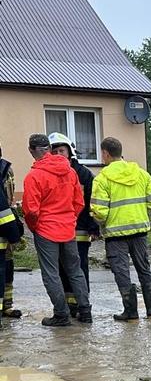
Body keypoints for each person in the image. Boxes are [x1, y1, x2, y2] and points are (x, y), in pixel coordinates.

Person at [21, 133, 91, 326]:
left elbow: (31, 210)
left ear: (31, 150)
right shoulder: (70, 171)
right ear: (49, 149)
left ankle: (61, 315)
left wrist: (35, 227)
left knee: (51, 273)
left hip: (45, 229)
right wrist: (69, 219)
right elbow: (79, 202)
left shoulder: (34, 176)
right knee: (75, 270)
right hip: (68, 228)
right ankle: (85, 312)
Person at [90, 137, 151, 321]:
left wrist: (101, 223)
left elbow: (99, 211)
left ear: (105, 153)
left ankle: (131, 312)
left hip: (115, 235)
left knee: (121, 271)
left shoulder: (102, 179)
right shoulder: (141, 174)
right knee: (144, 269)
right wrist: (140, 215)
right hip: (139, 231)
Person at [48, 133, 97, 317]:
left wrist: (93, 226)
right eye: (55, 151)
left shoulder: (83, 174)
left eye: (62, 150)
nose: (59, 154)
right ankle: (71, 305)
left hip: (80, 229)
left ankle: (82, 303)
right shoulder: (50, 173)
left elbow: (91, 202)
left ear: (70, 152)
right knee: (62, 268)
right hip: (59, 230)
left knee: (79, 267)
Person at [0, 143, 24, 323]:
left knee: (7, 268)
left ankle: (7, 305)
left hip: (6, 225)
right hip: (4, 223)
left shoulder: (7, 169)